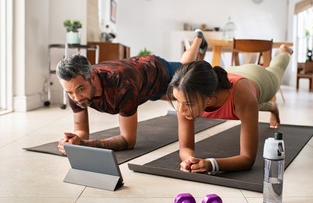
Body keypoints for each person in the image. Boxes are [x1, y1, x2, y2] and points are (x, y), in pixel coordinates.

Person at [56, 30, 208, 155]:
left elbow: (128, 141)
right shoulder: (74, 87)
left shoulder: (122, 85)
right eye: (69, 93)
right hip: (140, 87)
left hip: (158, 72)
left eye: (81, 89)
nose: (76, 98)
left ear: (93, 77)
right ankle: (198, 41)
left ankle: (198, 40)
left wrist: (83, 145)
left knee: (187, 68)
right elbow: (81, 130)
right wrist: (73, 141)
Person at [166, 45, 293, 174]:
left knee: (276, 71)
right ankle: (270, 107)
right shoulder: (186, 94)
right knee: (248, 107)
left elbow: (247, 159)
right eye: (177, 100)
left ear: (209, 99)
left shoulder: (244, 98)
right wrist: (190, 161)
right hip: (228, 75)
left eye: (188, 103)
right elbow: (185, 147)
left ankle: (285, 52)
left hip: (258, 77)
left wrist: (212, 164)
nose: (181, 109)